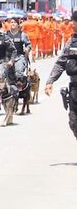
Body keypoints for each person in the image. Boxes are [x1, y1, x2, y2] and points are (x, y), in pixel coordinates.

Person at [46, 11, 77, 140]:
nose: (72, 24)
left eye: (74, 21)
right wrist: (50, 81)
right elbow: (61, 62)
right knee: (73, 122)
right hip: (75, 87)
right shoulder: (72, 41)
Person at [6, 17, 32, 82]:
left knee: (19, 74)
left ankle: (19, 88)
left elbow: (28, 44)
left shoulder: (22, 35)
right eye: (11, 22)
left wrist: (27, 49)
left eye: (14, 22)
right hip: (8, 58)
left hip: (19, 57)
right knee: (7, 77)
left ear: (18, 24)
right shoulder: (5, 34)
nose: (13, 24)